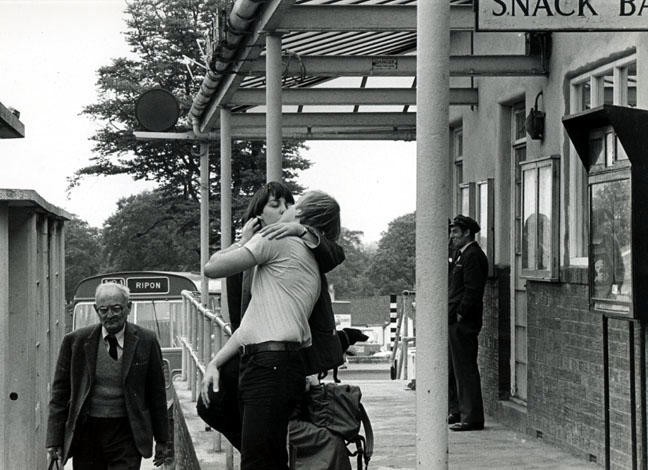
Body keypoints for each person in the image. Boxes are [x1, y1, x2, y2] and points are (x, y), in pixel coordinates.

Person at [197, 182, 344, 451]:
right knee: (257, 445)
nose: (286, 210)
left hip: (270, 357)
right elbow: (252, 319)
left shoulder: (282, 240)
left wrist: (301, 230)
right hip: (264, 352)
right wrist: (215, 362)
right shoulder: (273, 245)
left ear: (301, 216)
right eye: (275, 205)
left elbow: (211, 268)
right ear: (258, 215)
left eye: (292, 205)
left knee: (258, 450)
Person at [46, 283, 169, 469]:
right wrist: (54, 440)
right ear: (96, 310)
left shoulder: (147, 340)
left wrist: (162, 439)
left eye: (116, 308)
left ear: (129, 307)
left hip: (127, 431)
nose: (110, 315)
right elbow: (60, 394)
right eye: (103, 310)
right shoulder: (76, 342)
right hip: (87, 433)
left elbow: (156, 394)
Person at [447, 214, 489, 432]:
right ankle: (458, 410)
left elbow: (473, 291)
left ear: (467, 233)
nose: (452, 236)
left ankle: (471, 417)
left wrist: (461, 314)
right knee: (454, 368)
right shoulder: (461, 255)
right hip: (455, 319)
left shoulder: (473, 256)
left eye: (455, 232)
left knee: (465, 369)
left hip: (463, 321)